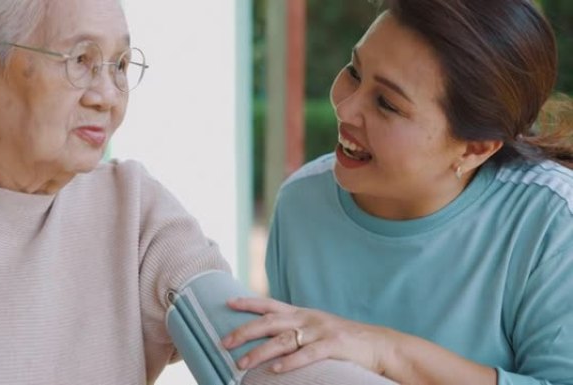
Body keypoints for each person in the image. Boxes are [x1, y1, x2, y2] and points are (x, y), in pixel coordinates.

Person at [0, 0, 396, 384]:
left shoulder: (131, 206)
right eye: (81, 60)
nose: (108, 96)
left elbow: (250, 347)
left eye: (120, 65)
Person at [222, 0, 573, 384]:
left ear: (475, 148)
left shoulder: (551, 221)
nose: (346, 107)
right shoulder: (302, 204)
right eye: (355, 72)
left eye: (387, 103)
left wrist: (385, 351)